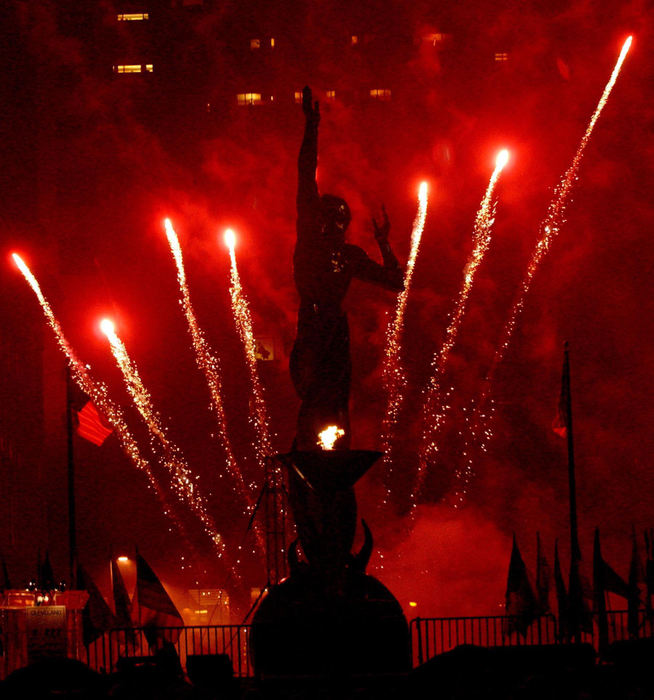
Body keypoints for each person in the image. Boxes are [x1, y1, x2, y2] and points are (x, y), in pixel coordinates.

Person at [290, 86, 404, 451]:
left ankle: (334, 445)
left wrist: (385, 243)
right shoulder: (309, 237)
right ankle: (311, 445)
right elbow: (306, 173)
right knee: (314, 395)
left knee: (335, 400)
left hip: (333, 328)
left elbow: (397, 283)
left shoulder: (350, 255)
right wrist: (312, 126)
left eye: (338, 220)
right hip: (313, 322)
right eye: (328, 218)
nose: (332, 225)